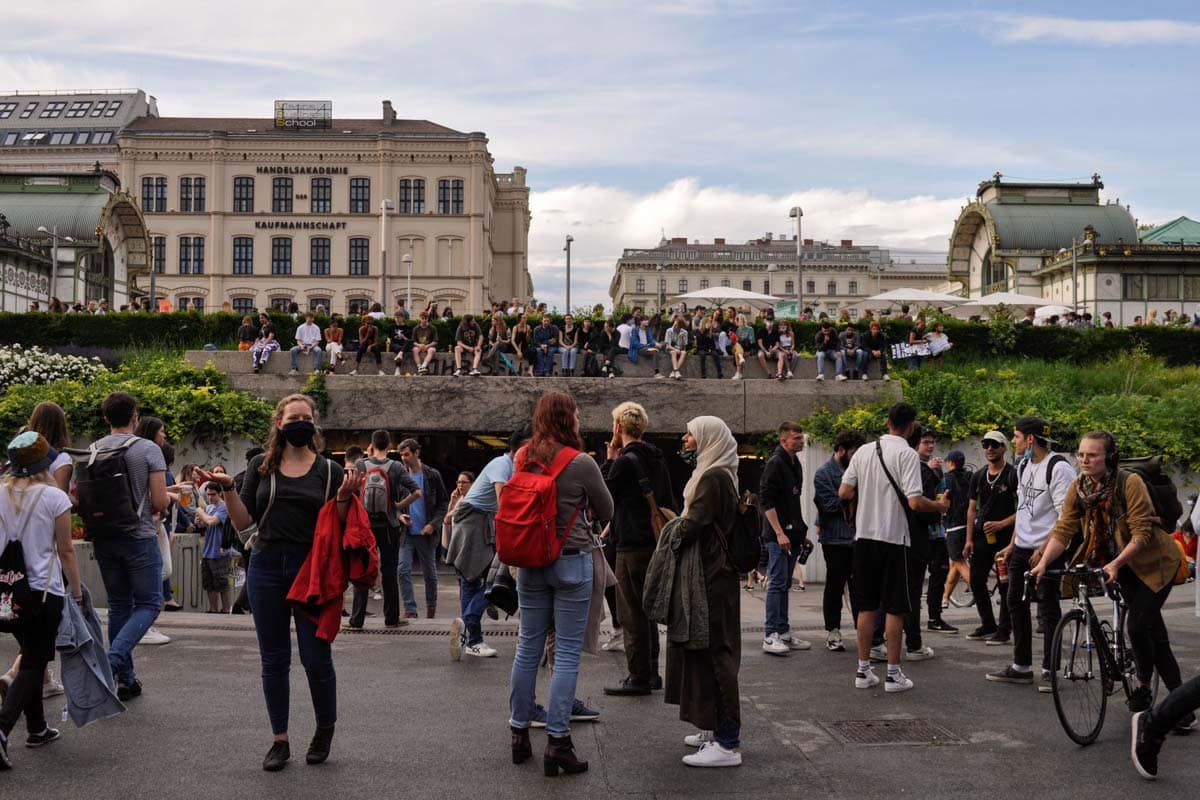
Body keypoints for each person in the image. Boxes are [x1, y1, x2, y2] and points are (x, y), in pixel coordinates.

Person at [194, 394, 355, 772]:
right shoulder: (260, 466)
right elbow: (243, 521)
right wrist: (229, 488)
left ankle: (324, 729)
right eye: (292, 417)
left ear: (314, 424)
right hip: (266, 565)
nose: (300, 422)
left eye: (306, 417)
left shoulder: (329, 471)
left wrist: (345, 498)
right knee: (274, 659)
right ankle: (279, 740)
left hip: (310, 567)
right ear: (279, 423)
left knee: (316, 659)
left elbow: (339, 524)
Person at [1031, 430, 1186, 717]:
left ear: (1109, 457)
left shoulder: (1130, 483)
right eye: (1081, 454)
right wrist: (1043, 561)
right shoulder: (1079, 487)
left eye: (1092, 455)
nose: (1084, 460)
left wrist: (1115, 563)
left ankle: (1141, 685)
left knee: (1138, 627)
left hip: (1156, 564)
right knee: (1155, 635)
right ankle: (1181, 711)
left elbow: (1142, 532)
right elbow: (1064, 529)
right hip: (1121, 565)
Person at [508, 392, 613, 776]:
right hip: (570, 561)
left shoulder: (523, 456)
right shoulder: (581, 462)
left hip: (529, 561)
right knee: (566, 653)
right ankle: (557, 742)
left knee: (526, 648)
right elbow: (607, 509)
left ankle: (519, 735)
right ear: (568, 419)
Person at [838, 402, 947, 693]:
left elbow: (844, 491)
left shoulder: (863, 451)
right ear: (911, 427)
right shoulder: (907, 454)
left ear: (887, 422)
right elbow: (914, 501)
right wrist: (939, 505)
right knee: (896, 608)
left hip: (864, 538)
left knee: (866, 606)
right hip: (895, 538)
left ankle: (863, 671)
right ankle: (893, 674)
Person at [660, 415, 742, 767]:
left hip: (711, 576)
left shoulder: (712, 478)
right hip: (713, 573)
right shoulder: (718, 472)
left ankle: (727, 742)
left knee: (714, 652)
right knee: (706, 649)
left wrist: (670, 527)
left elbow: (692, 526)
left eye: (691, 433)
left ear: (708, 438)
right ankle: (712, 727)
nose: (686, 438)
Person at [0, 432, 82, 764]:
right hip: (44, 590)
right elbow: (66, 551)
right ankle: (3, 726)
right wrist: (76, 592)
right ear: (44, 462)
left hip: (7, 589)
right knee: (35, 660)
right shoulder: (54, 497)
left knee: (31, 653)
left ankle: (37, 728)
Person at [86, 393, 170, 700]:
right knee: (149, 604)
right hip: (138, 536)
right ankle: (112, 663)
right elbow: (159, 501)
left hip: (106, 537)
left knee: (120, 605)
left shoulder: (94, 449)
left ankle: (128, 680)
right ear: (135, 416)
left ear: (106, 418)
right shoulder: (148, 449)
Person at [986, 417, 1075, 689]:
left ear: (1031, 439)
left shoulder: (1059, 468)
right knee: (1015, 601)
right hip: (1023, 548)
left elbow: (1065, 518)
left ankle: (1050, 670)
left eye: (1016, 436)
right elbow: (1024, 509)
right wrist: (1013, 544)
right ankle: (1021, 665)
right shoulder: (1024, 465)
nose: (1014, 442)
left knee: (1048, 608)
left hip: (1049, 550)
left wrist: (1044, 550)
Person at [601, 402, 676, 695]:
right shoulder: (658, 458)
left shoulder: (622, 462)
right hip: (655, 543)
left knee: (631, 613)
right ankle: (653, 673)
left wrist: (608, 460)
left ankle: (638, 676)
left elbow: (603, 501)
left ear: (619, 428)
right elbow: (668, 499)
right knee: (649, 610)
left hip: (630, 545)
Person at [448, 426, 532, 659]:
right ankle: (470, 626)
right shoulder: (501, 465)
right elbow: (504, 499)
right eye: (529, 446)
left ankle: (471, 639)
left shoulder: (510, 466)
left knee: (471, 581)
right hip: (473, 521)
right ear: (518, 448)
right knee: (492, 581)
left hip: (476, 521)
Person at [348, 430, 420, 629]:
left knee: (362, 571)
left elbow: (352, 493)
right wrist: (397, 506)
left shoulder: (361, 465)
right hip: (389, 526)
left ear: (371, 445)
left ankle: (356, 620)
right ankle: (391, 619)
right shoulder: (396, 466)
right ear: (389, 445)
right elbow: (417, 492)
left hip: (365, 527)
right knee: (389, 572)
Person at [760, 421, 811, 655]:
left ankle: (782, 631)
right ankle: (771, 635)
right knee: (777, 583)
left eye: (801, 437)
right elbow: (766, 501)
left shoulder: (794, 463)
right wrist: (779, 532)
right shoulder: (775, 463)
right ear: (784, 441)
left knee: (785, 584)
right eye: (796, 438)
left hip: (793, 533)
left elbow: (794, 502)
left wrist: (801, 531)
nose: (801, 441)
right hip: (778, 535)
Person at [963, 431, 1017, 645]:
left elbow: (1024, 508)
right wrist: (968, 539)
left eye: (994, 445)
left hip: (1005, 538)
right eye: (985, 445)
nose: (989, 449)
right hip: (982, 537)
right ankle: (988, 623)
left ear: (1004, 448)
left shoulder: (1013, 474)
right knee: (976, 580)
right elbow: (970, 509)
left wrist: (1003, 523)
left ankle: (1004, 630)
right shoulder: (978, 476)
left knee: (1005, 584)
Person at [813, 430, 865, 652]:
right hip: (834, 539)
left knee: (861, 587)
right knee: (835, 586)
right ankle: (833, 630)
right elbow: (829, 506)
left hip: (859, 537)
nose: (857, 457)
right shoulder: (824, 474)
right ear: (841, 450)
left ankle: (864, 631)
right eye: (854, 453)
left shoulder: (860, 470)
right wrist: (850, 494)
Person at [397, 439, 448, 619]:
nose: (404, 458)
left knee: (429, 573)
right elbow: (393, 505)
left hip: (425, 532)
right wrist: (400, 516)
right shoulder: (401, 477)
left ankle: (431, 607)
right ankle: (410, 609)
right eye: (401, 455)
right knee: (402, 569)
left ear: (417, 453)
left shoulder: (432, 475)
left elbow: (443, 503)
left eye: (407, 454)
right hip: (407, 532)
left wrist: (433, 524)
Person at [194, 482, 234, 613]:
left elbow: (212, 521)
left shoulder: (224, 507)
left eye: (213, 494)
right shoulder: (210, 508)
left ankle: (226, 609)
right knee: (209, 583)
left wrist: (200, 512)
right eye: (208, 494)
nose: (210, 497)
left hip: (220, 551)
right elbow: (206, 524)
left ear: (220, 494)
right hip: (208, 551)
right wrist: (199, 522)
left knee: (222, 582)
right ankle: (213, 609)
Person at [940, 450, 973, 609]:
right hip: (970, 523)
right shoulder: (969, 477)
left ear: (951, 463)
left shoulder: (947, 479)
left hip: (954, 526)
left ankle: (977, 587)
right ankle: (945, 598)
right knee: (955, 563)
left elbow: (942, 499)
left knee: (959, 562)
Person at [662, 315, 690, 380]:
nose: (675, 326)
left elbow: (684, 346)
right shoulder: (669, 331)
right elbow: (668, 345)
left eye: (676, 325)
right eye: (674, 324)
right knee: (673, 352)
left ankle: (674, 371)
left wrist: (682, 338)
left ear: (680, 326)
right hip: (670, 349)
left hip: (680, 349)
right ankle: (677, 371)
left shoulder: (685, 332)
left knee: (684, 353)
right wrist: (675, 349)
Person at [731, 315, 755, 381]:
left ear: (742, 320)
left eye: (737, 321)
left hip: (746, 349)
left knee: (737, 354)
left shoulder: (750, 329)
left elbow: (752, 341)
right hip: (739, 347)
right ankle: (739, 372)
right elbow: (736, 341)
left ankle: (738, 373)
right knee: (737, 344)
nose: (736, 322)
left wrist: (746, 340)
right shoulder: (738, 329)